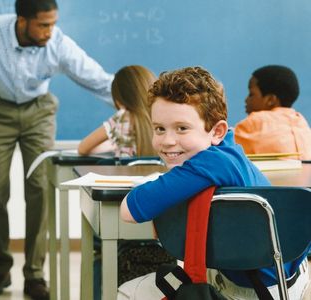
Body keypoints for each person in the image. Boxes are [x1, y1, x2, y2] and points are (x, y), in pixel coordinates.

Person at [0, 0, 114, 298]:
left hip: (39, 112)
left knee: (39, 188)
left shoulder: (57, 43)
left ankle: (35, 273)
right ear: (21, 20)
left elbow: (98, 81)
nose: (50, 31)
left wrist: (139, 104)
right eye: (44, 24)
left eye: (53, 23)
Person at [118, 66, 310, 299]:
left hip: (252, 290)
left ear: (217, 131)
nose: (168, 141)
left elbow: (128, 210)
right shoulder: (229, 151)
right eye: (159, 128)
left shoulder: (207, 165)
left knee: (127, 292)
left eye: (182, 128)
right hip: (283, 277)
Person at [234, 65, 311, 160]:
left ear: (270, 100)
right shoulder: (302, 123)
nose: (246, 100)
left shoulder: (255, 122)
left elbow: (221, 149)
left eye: (251, 94)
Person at [78, 65, 156, 157]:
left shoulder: (122, 118)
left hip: (125, 171)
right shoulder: (163, 113)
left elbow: (82, 149)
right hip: (162, 171)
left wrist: (114, 145)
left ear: (119, 101)